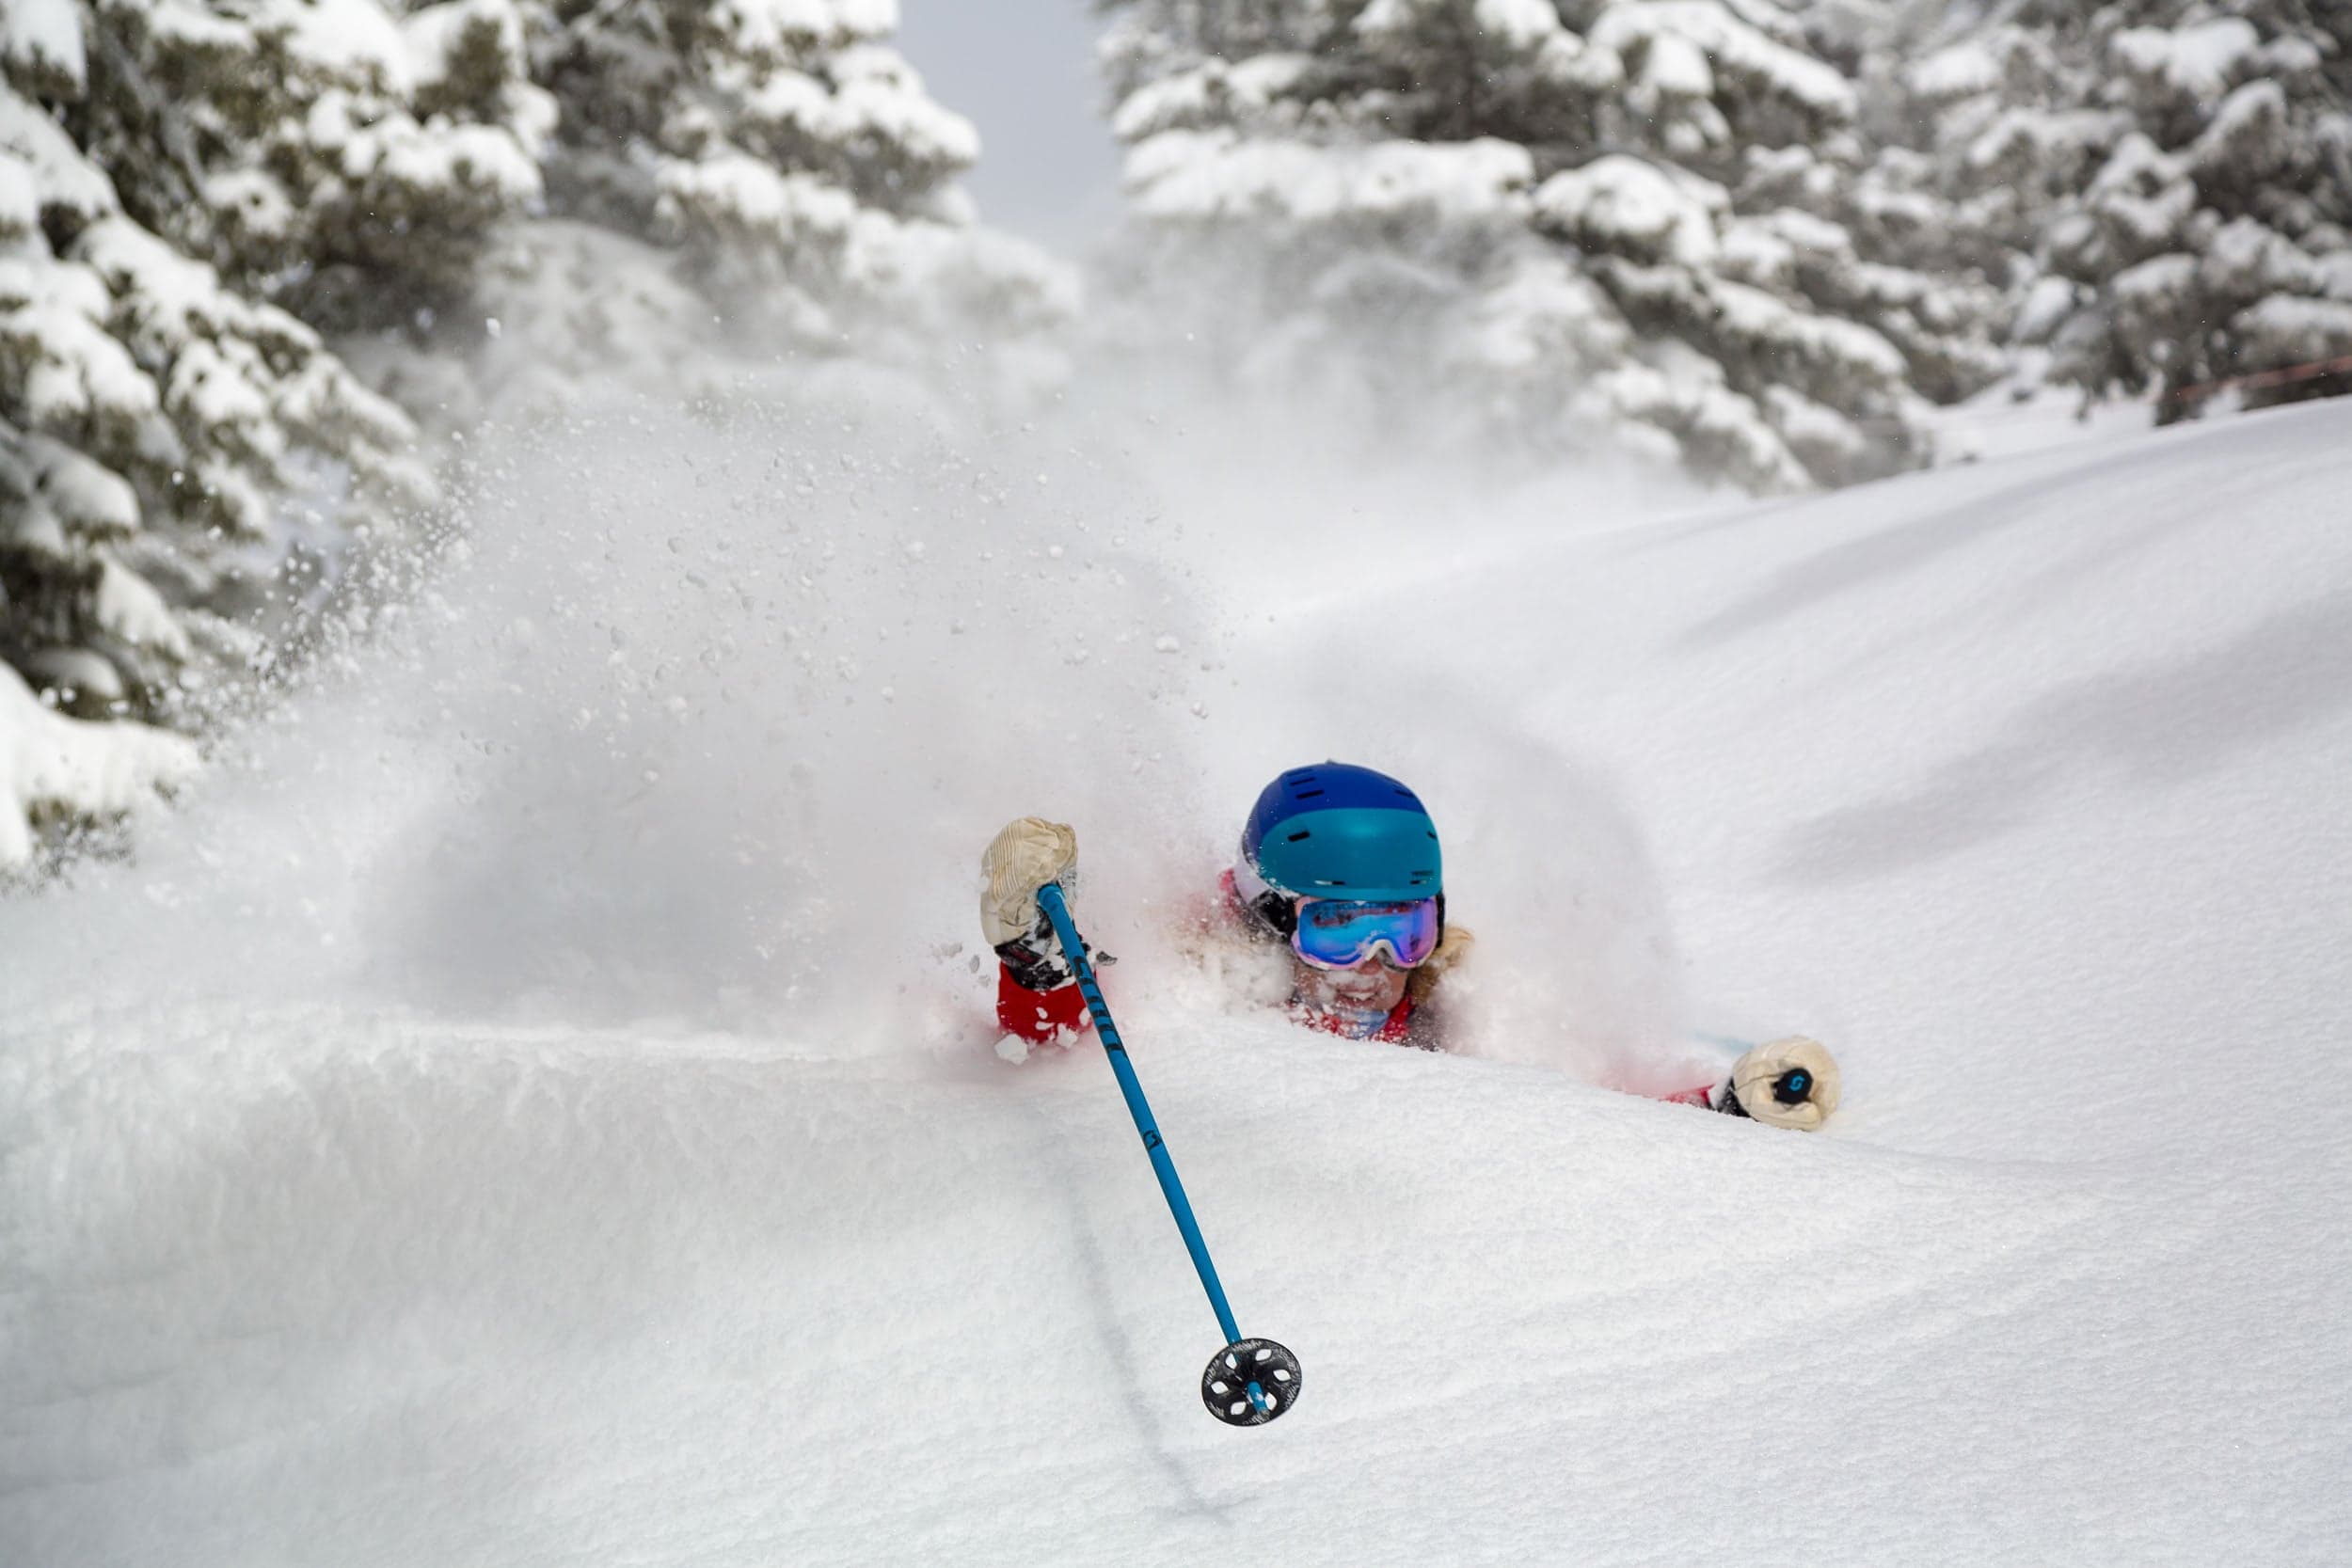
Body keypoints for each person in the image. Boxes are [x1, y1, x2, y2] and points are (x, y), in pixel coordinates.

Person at [978, 761, 1840, 1131]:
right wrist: (1034, 955)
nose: (1378, 967)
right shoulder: (1204, 991)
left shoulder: (1445, 1013)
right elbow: (1063, 1045)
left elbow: (1570, 1124)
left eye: (1405, 928)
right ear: (1268, 924)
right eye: (1340, 930)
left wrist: (1721, 1109)